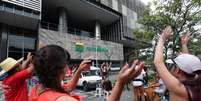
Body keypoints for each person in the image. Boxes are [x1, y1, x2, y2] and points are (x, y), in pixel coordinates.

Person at [154, 26, 201, 101]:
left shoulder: (178, 88)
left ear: (178, 70)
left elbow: (158, 62)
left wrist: (162, 39)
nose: (171, 68)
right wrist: (184, 45)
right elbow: (189, 65)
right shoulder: (196, 84)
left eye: (174, 65)